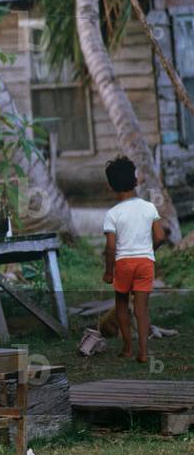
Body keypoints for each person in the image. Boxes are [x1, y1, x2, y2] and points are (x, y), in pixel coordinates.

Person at [102, 155, 168, 363]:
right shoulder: (149, 207)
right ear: (136, 181)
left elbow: (111, 247)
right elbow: (160, 237)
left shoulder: (112, 214)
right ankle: (143, 353)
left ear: (110, 187)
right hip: (144, 263)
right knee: (141, 310)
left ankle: (127, 349)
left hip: (123, 264)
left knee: (122, 306)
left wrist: (108, 271)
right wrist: (148, 251)